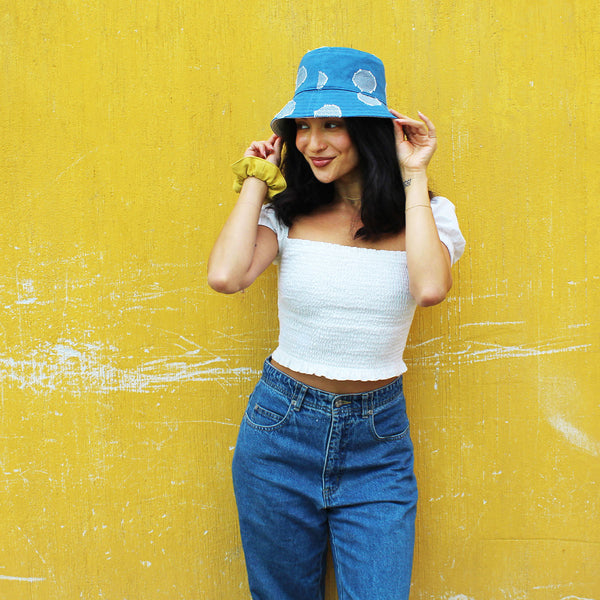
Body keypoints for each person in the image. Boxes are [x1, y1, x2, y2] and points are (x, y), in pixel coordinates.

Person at [208, 46, 465, 600]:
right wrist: (258, 178)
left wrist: (414, 175)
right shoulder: (289, 213)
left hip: (378, 443)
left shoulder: (428, 216)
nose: (312, 142)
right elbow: (226, 276)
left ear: (369, 132)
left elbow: (429, 287)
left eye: (332, 125)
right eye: (302, 125)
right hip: (281, 431)